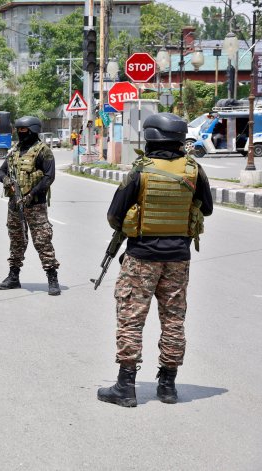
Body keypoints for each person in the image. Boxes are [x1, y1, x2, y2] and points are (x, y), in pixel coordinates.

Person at [97, 113, 213, 408]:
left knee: (131, 319)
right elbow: (207, 209)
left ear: (150, 137)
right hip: (179, 259)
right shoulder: (193, 170)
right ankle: (168, 386)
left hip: (141, 258)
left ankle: (125, 386)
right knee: (174, 319)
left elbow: (114, 216)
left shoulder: (141, 171)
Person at [0, 116, 61, 296]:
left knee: (42, 240)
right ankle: (13, 277)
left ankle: (52, 277)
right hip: (15, 204)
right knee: (16, 240)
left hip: (35, 205)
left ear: (32, 131)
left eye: (24, 131)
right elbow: (0, 172)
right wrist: (6, 179)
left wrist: (32, 193)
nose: (20, 134)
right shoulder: (15, 151)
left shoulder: (43, 151)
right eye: (19, 130)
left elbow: (49, 177)